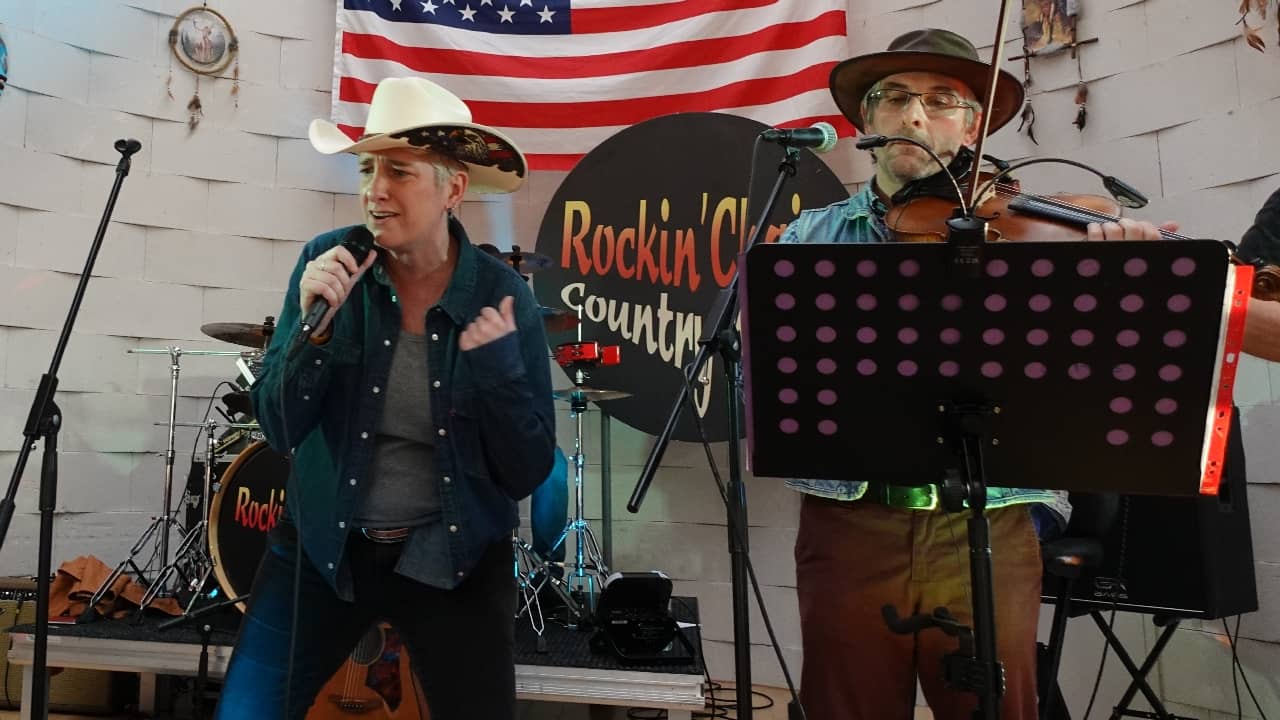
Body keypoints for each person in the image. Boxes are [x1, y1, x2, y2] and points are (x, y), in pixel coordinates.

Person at [782, 29, 1176, 720]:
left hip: (991, 519)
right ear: (865, 121)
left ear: (973, 126)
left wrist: (1122, 283)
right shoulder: (807, 238)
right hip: (849, 520)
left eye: (941, 101)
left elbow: (1086, 379)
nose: (914, 118)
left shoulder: (1023, 229)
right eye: (894, 98)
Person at [214, 76, 556, 720]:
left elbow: (527, 471)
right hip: (324, 548)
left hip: (453, 558)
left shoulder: (500, 297)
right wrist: (312, 326)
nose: (375, 190)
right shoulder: (328, 262)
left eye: (399, 171)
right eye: (368, 168)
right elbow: (281, 427)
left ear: (453, 188)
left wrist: (499, 372)